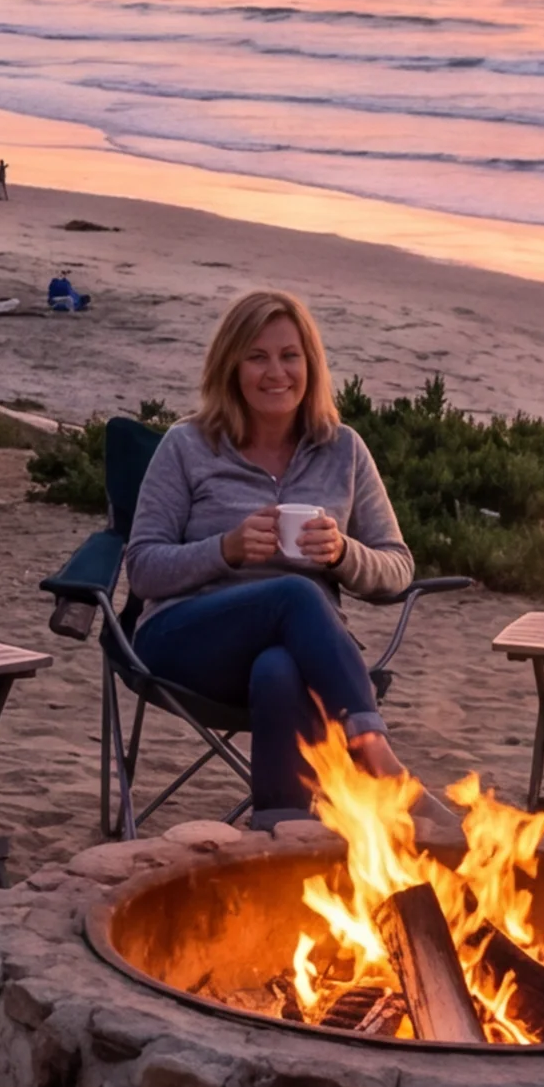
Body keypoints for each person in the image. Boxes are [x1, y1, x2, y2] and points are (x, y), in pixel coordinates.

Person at [122, 288, 417, 823]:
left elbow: (397, 568)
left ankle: (281, 836)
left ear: (311, 365)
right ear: (231, 367)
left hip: (307, 658)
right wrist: (225, 550)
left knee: (280, 668)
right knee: (294, 593)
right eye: (257, 356)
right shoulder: (187, 446)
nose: (275, 372)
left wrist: (343, 554)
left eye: (289, 356)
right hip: (186, 643)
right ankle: (372, 748)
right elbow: (142, 567)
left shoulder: (343, 448)